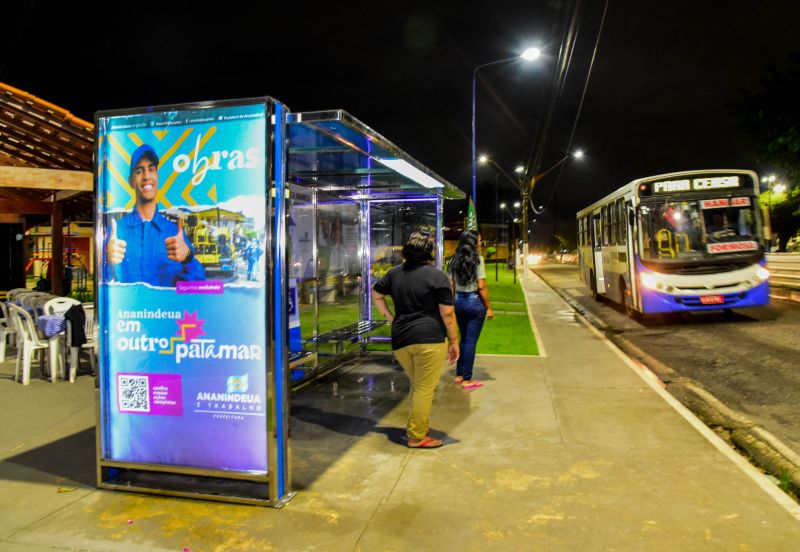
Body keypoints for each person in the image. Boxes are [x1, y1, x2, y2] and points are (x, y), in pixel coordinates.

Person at [372, 230, 459, 449]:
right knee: (423, 389)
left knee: (418, 385)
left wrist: (391, 318)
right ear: (429, 251)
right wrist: (455, 341)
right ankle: (417, 437)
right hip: (429, 339)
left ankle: (419, 425)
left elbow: (376, 294)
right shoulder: (437, 276)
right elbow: (447, 314)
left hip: (401, 340)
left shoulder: (394, 273)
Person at [106, 144, 205, 286]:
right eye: (139, 171)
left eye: (151, 169)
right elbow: (104, 286)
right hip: (128, 309)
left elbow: (198, 287)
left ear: (157, 176)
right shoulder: (116, 232)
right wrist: (107, 262)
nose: (146, 176)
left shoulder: (174, 232)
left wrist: (187, 258)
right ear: (131, 181)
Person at [448, 231, 493, 388]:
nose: (480, 243)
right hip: (474, 303)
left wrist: (452, 305)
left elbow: (451, 285)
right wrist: (489, 308)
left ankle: (459, 374)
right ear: (473, 243)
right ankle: (468, 379)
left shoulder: (453, 260)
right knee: (470, 341)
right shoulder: (478, 260)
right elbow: (481, 286)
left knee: (463, 339)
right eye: (478, 241)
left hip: (458, 302)